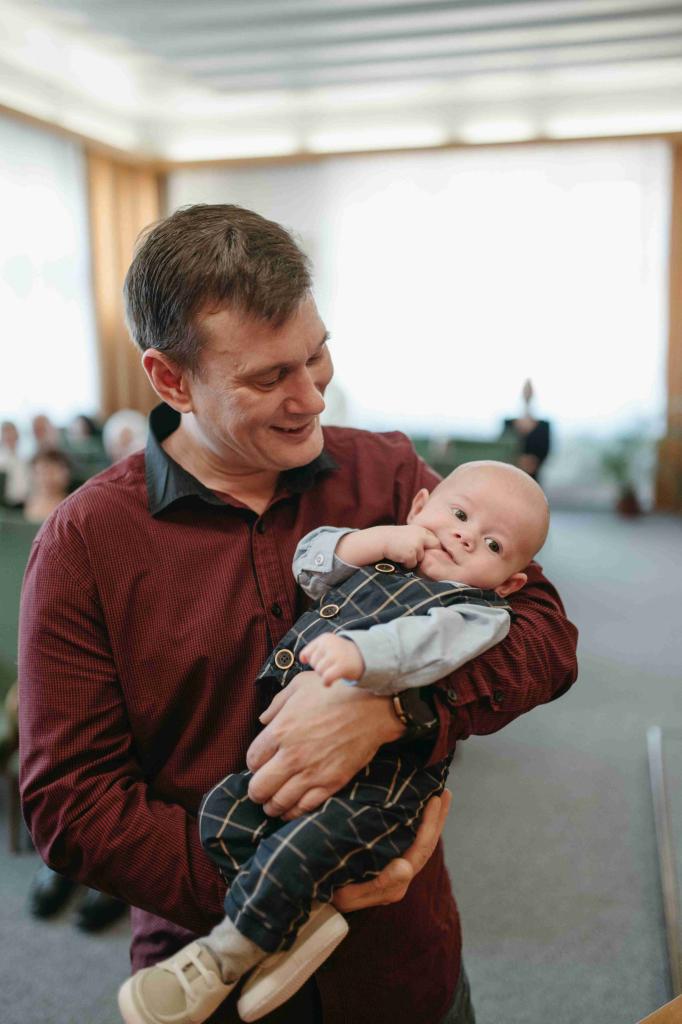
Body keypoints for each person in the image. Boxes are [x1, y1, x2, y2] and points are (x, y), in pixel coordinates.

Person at [19, 204, 578, 1024]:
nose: (312, 396)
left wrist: (396, 710)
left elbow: (546, 636)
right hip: (214, 974)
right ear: (171, 381)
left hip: (402, 964)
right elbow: (72, 804)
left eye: (316, 355)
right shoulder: (85, 543)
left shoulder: (389, 473)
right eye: (268, 378)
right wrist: (287, 883)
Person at [118, 461, 549, 1024]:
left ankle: (226, 954)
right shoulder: (382, 556)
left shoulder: (474, 611)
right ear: (419, 508)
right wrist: (372, 541)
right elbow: (311, 561)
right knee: (222, 815)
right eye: (460, 514)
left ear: (510, 582)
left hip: (377, 789)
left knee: (304, 848)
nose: (466, 536)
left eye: (493, 545)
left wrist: (363, 660)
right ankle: (297, 917)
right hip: (285, 775)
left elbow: (430, 643)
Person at [0, 419, 30, 508]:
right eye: (6, 434)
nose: (10, 437)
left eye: (12, 433)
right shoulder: (2, 460)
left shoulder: (24, 458)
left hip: (25, 503)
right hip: (6, 505)